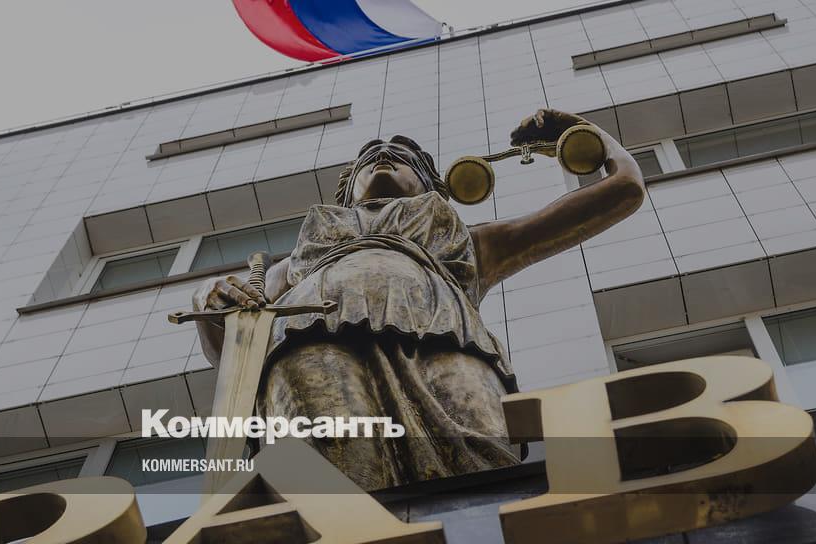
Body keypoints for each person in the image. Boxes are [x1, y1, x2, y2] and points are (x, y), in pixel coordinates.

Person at [193, 109, 645, 489]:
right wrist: (208, 305)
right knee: (335, 473)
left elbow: (624, 189)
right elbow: (233, 354)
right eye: (370, 157)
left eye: (401, 157)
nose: (383, 156)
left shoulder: (466, 243)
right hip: (311, 342)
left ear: (432, 186)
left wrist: (583, 134)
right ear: (347, 191)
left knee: (484, 471)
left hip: (450, 344)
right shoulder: (295, 263)